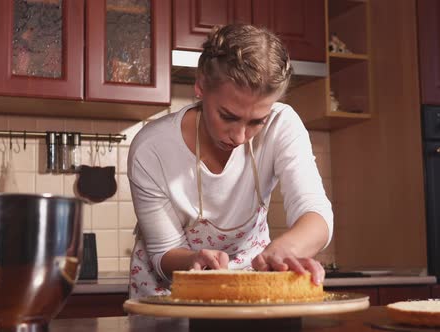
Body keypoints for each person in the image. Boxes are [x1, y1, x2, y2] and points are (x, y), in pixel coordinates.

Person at [127, 24, 333, 298]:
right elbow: (163, 252)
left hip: (247, 287)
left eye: (257, 121)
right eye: (228, 116)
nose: (239, 137)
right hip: (168, 293)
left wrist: (285, 251)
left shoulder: (282, 124)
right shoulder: (151, 149)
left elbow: (316, 212)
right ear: (200, 84)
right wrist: (193, 260)